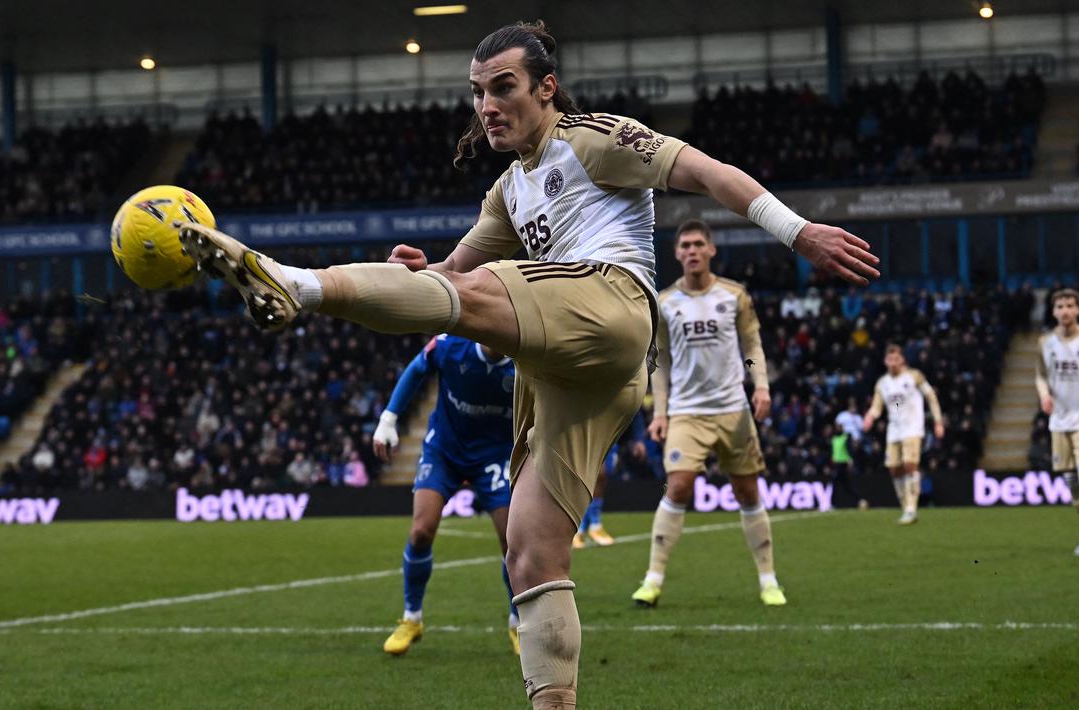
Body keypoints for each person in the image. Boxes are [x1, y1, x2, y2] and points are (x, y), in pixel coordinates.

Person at [178, 21, 877, 709]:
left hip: (612, 305)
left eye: (502, 87)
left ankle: (293, 284)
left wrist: (798, 232)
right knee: (530, 553)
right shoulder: (509, 190)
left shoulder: (593, 138)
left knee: (471, 297)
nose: (486, 105)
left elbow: (705, 171)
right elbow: (454, 272)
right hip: (578, 373)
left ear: (545, 90)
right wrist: (420, 273)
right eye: (477, 92)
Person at [630, 220, 786, 609]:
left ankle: (768, 580)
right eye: (685, 245)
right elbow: (660, 362)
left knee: (747, 491)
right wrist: (660, 412)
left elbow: (752, 343)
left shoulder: (734, 295)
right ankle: (652, 580)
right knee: (678, 485)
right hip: (687, 412)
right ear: (677, 253)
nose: (692, 250)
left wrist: (761, 385)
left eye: (699, 243)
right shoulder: (665, 302)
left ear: (711, 250)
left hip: (733, 409)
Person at [372, 334, 518, 655]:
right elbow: (415, 369)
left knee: (512, 542)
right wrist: (388, 419)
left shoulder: (526, 364)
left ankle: (518, 621)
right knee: (421, 531)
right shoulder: (451, 346)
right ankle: (412, 618)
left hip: (495, 456)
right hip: (444, 451)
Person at [1034, 289, 1079, 555]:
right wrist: (1044, 395)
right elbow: (1040, 375)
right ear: (1053, 311)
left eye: (1070, 306)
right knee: (1070, 481)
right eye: (1060, 306)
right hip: (1059, 421)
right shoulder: (1045, 343)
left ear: (1078, 310)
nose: (1065, 311)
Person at [862, 344, 944, 525]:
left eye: (896, 359)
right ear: (885, 361)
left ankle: (911, 509)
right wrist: (869, 418)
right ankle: (905, 506)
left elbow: (931, 396)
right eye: (889, 359)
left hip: (913, 428)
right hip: (894, 429)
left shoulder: (914, 376)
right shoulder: (882, 384)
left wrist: (938, 421)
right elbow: (877, 407)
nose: (892, 363)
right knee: (894, 469)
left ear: (902, 360)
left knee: (909, 466)